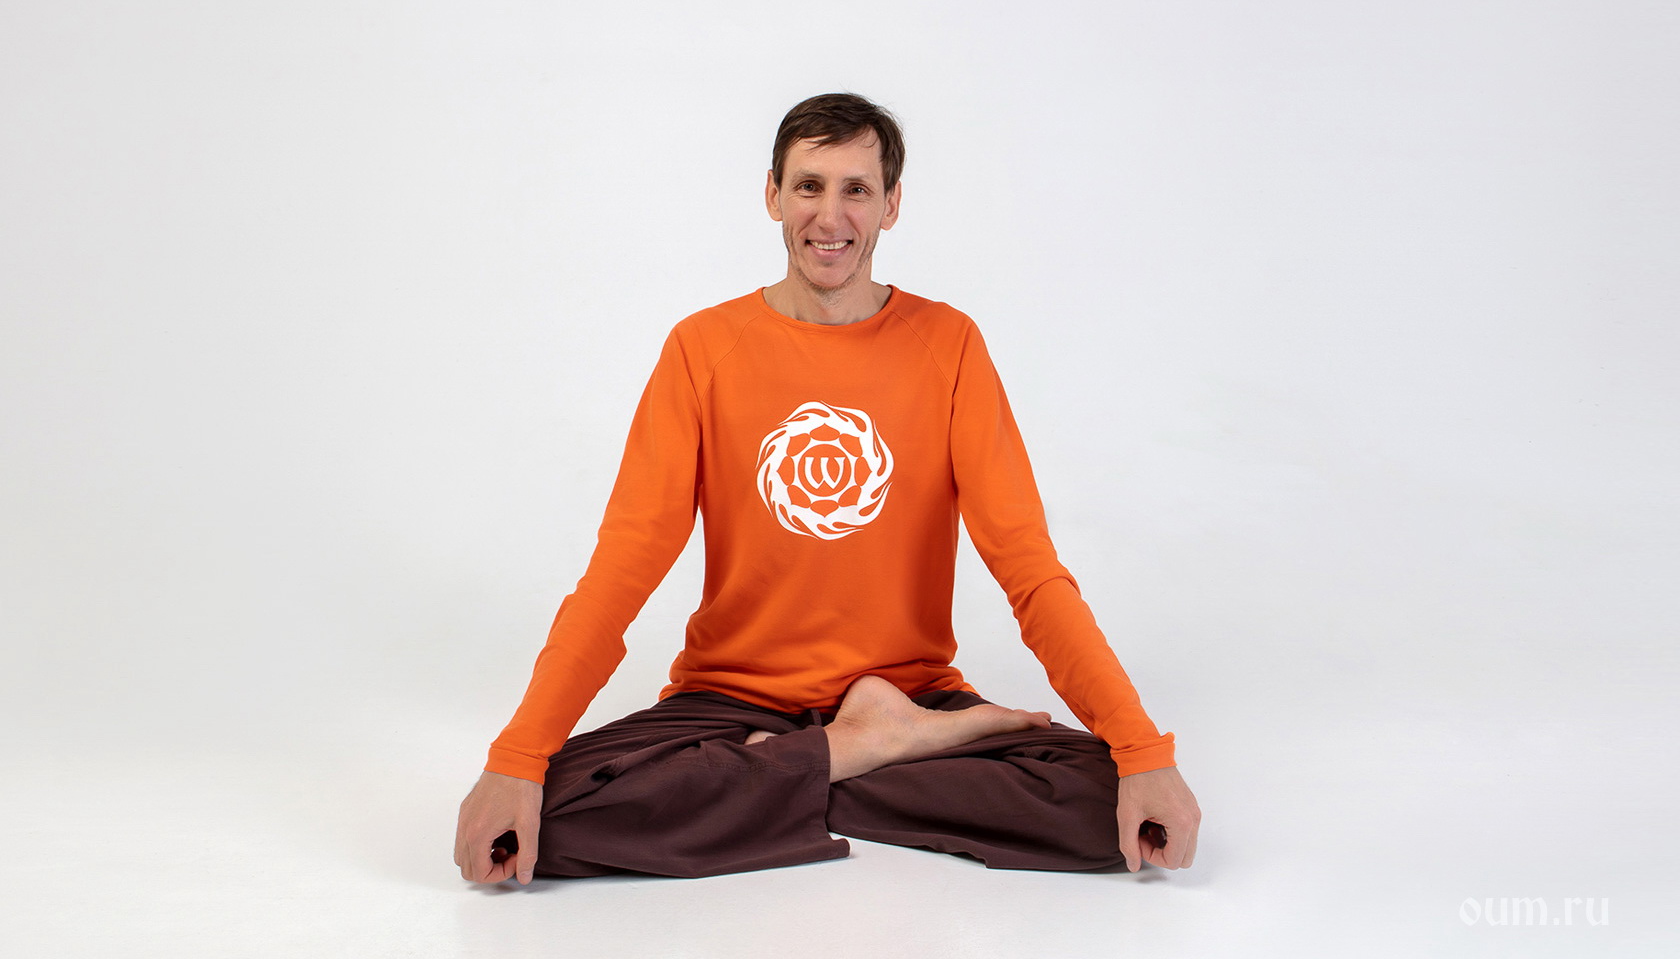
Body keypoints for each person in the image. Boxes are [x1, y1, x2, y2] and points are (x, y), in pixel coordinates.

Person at [453, 93, 1201, 884]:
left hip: (909, 694)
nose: (830, 215)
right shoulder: (701, 348)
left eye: (857, 189)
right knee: (547, 811)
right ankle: (858, 753)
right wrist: (518, 756)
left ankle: (779, 779)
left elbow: (1028, 568)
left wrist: (1141, 750)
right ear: (773, 195)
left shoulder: (949, 345)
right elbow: (624, 566)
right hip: (732, 702)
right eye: (809, 186)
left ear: (891, 206)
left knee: (1111, 800)